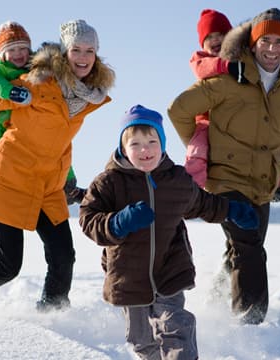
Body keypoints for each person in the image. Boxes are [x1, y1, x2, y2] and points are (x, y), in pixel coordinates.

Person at [0, 19, 115, 313]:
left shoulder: (86, 95)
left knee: (63, 256)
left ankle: (52, 315)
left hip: (48, 185)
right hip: (9, 179)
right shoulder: (38, 80)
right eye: (76, 50)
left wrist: (68, 178)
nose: (83, 57)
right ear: (64, 52)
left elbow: (57, 139)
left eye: (89, 51)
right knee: (6, 266)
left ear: (96, 55)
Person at [168, 7, 280, 325]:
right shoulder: (229, 77)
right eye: (265, 41)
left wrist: (272, 142)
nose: (272, 49)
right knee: (248, 245)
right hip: (226, 178)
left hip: (263, 180)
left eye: (279, 42)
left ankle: (218, 295)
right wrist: (203, 138)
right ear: (252, 42)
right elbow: (179, 109)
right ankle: (250, 325)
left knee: (245, 246)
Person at [79, 104, 258, 359]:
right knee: (141, 341)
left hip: (169, 270)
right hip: (128, 277)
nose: (145, 150)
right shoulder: (109, 182)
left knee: (176, 327)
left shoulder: (176, 180)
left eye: (152, 141)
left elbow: (204, 204)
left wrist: (233, 210)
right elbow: (89, 219)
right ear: (123, 147)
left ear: (162, 143)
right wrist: (119, 221)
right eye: (136, 144)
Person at [0, 21, 86, 226]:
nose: (18, 54)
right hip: (7, 128)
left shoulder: (36, 67)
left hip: (34, 125)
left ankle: (70, 189)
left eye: (22, 48)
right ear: (1, 53)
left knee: (57, 151)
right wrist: (10, 92)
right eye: (12, 49)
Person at [187, 9, 280, 204]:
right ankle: (192, 190)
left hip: (241, 118)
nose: (215, 40)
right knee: (197, 150)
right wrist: (225, 66)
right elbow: (202, 69)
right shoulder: (200, 59)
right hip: (208, 118)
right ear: (202, 43)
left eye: (220, 35)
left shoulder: (245, 58)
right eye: (209, 37)